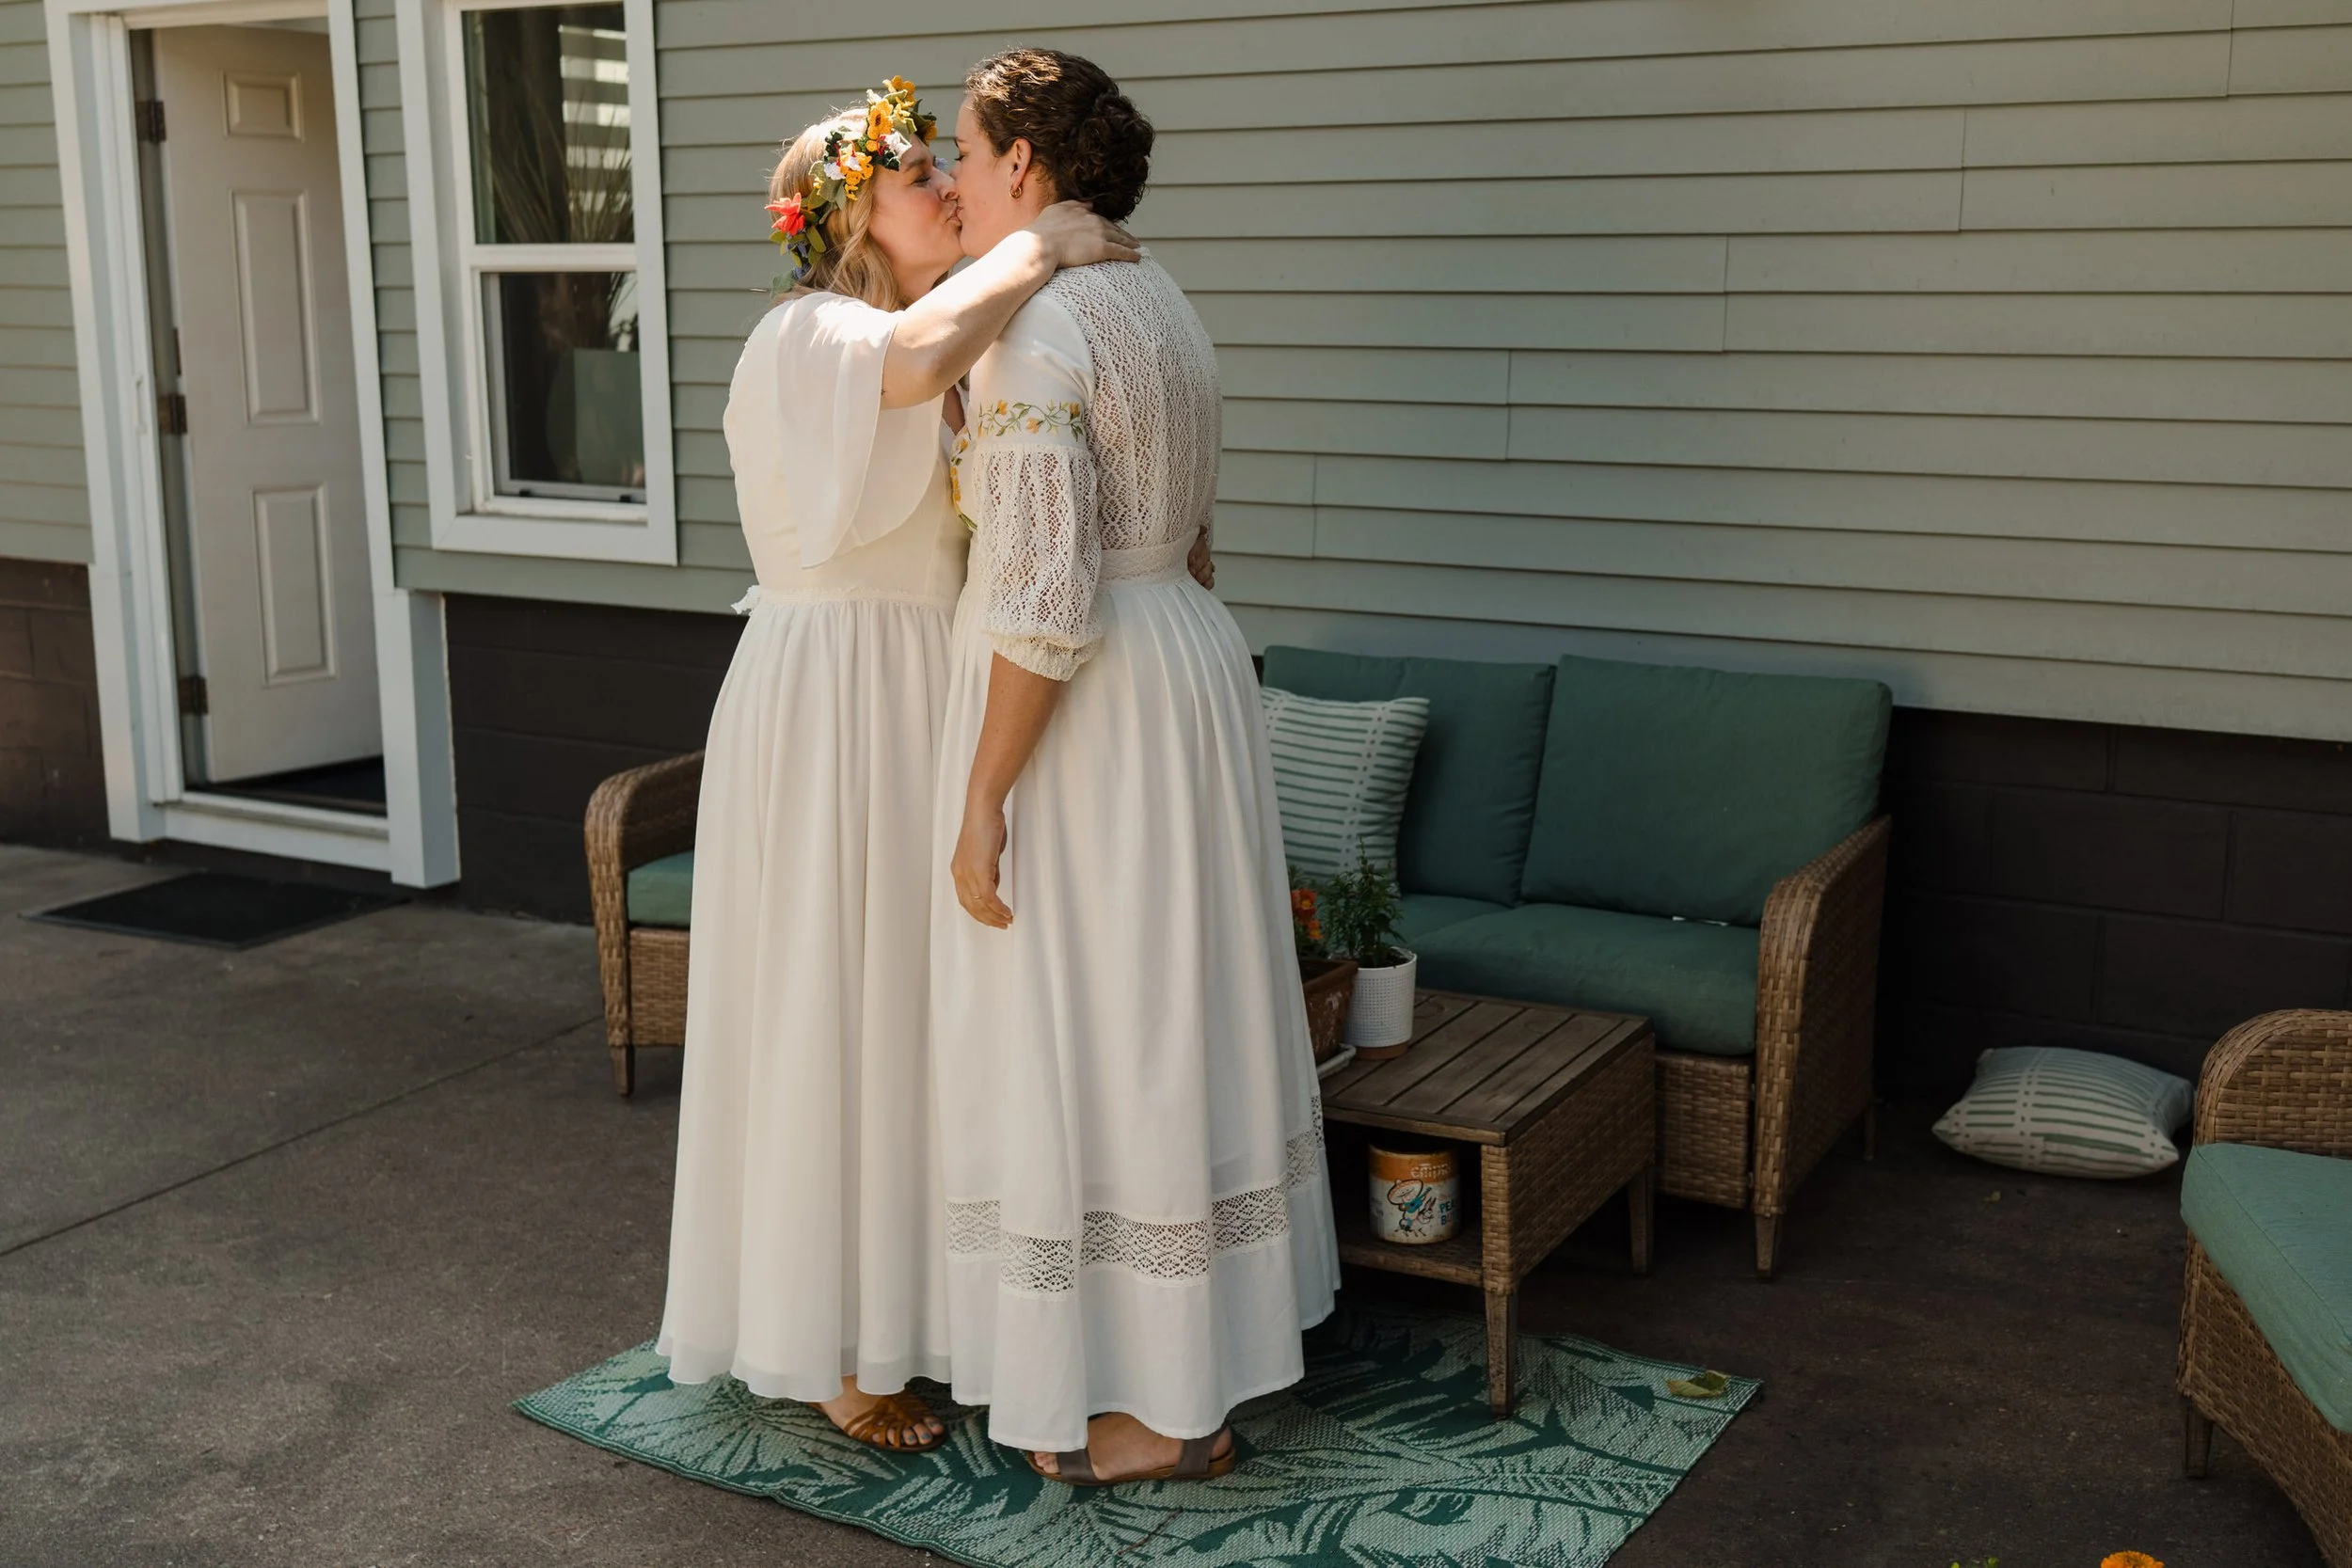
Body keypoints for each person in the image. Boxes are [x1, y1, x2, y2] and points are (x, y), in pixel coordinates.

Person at [655, 77, 1140, 1454]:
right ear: (845, 220)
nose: (940, 183)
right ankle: (829, 1348)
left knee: (917, 1018)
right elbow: (921, 360)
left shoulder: (916, 329)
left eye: (949, 165)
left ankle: (928, 1307)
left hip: (918, 682)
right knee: (832, 1002)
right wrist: (1042, 242)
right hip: (830, 701)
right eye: (910, 172)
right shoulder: (808, 330)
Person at [931, 49, 1342, 1484]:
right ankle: (1176, 1361)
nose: (955, 180)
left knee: (1096, 1020)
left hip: (1093, 701)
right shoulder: (1160, 297)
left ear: (1029, 167)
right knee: (1173, 1019)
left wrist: (981, 797)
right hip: (1186, 659)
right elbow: (1189, 526)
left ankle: (1170, 1413)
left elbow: (1044, 600)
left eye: (969, 156)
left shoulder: (1039, 328)